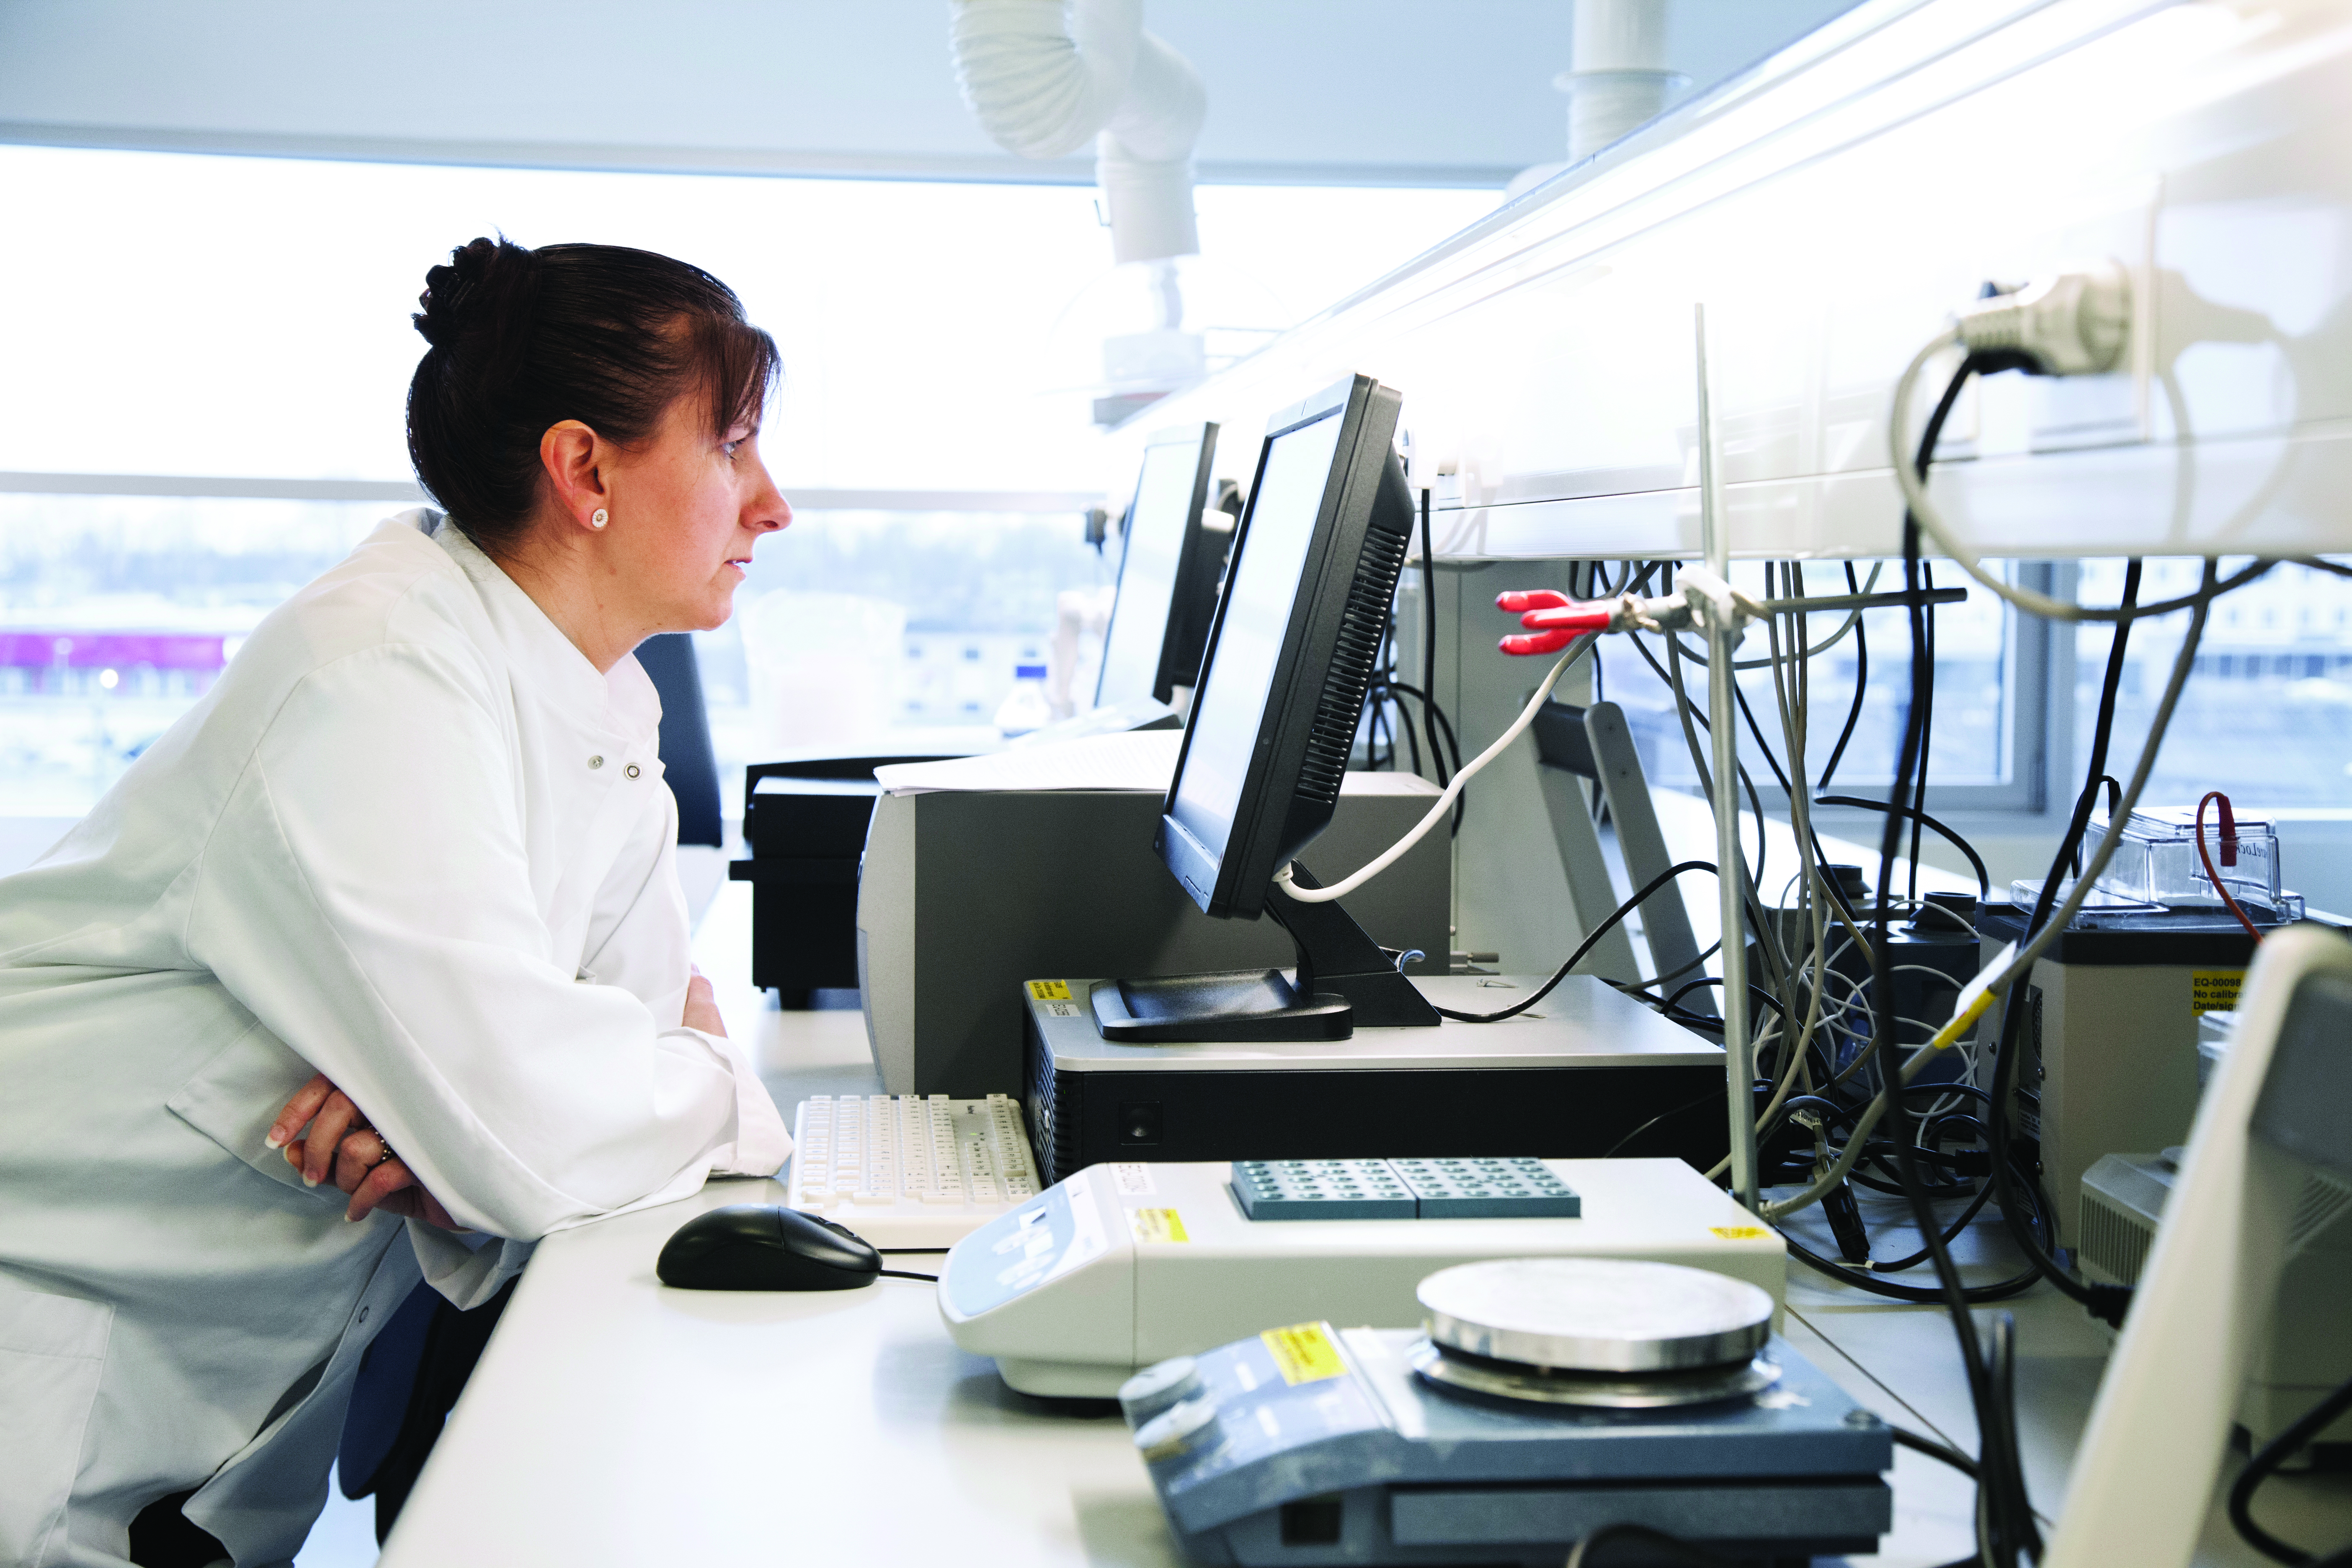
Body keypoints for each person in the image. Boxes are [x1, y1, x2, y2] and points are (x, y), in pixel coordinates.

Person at [0, 237, 795, 1568]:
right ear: (584, 469)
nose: (771, 504)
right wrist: (681, 1083)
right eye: (732, 447)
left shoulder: (595, 704)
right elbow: (550, 1126)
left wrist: (488, 1127)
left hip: (212, 1421)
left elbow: (562, 1117)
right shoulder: (374, 671)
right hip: (59, 1364)